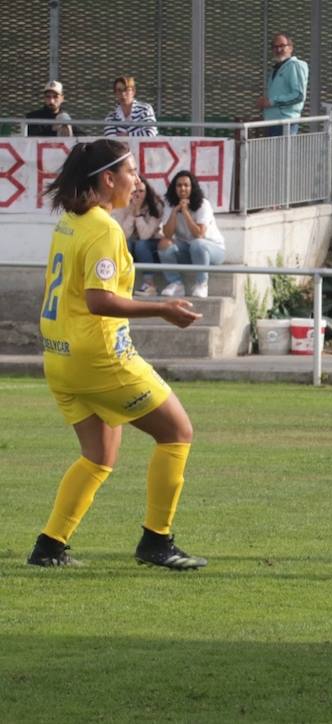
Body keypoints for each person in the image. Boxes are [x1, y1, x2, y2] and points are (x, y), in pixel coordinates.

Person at [27, 138, 206, 570]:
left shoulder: (72, 220)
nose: (138, 180)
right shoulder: (104, 229)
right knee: (177, 432)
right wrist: (163, 307)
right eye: (130, 172)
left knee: (99, 456)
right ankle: (157, 541)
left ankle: (49, 547)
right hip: (100, 358)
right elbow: (99, 300)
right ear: (108, 179)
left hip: (60, 358)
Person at [157, 171, 225, 298]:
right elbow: (167, 234)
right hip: (188, 249)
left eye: (186, 185)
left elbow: (199, 234)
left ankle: (201, 284)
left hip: (212, 250)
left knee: (197, 244)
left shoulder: (203, 204)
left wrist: (185, 212)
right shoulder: (169, 205)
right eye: (179, 185)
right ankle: (175, 283)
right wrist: (174, 212)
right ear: (174, 188)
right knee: (164, 244)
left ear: (192, 187)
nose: (183, 188)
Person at [109, 174, 163, 296]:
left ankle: (149, 284)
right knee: (124, 244)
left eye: (141, 191)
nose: (138, 194)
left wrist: (138, 213)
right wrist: (132, 213)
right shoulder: (123, 205)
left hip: (150, 244)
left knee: (141, 245)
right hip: (131, 243)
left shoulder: (156, 206)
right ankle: (119, 281)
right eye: (135, 191)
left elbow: (145, 235)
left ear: (147, 192)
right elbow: (123, 234)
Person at [255, 33, 309, 136]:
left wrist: (271, 102)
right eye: (275, 47)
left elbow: (298, 96)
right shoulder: (277, 68)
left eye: (282, 46)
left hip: (285, 123)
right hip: (272, 122)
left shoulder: (294, 66)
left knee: (282, 152)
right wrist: (265, 103)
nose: (278, 49)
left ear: (290, 48)